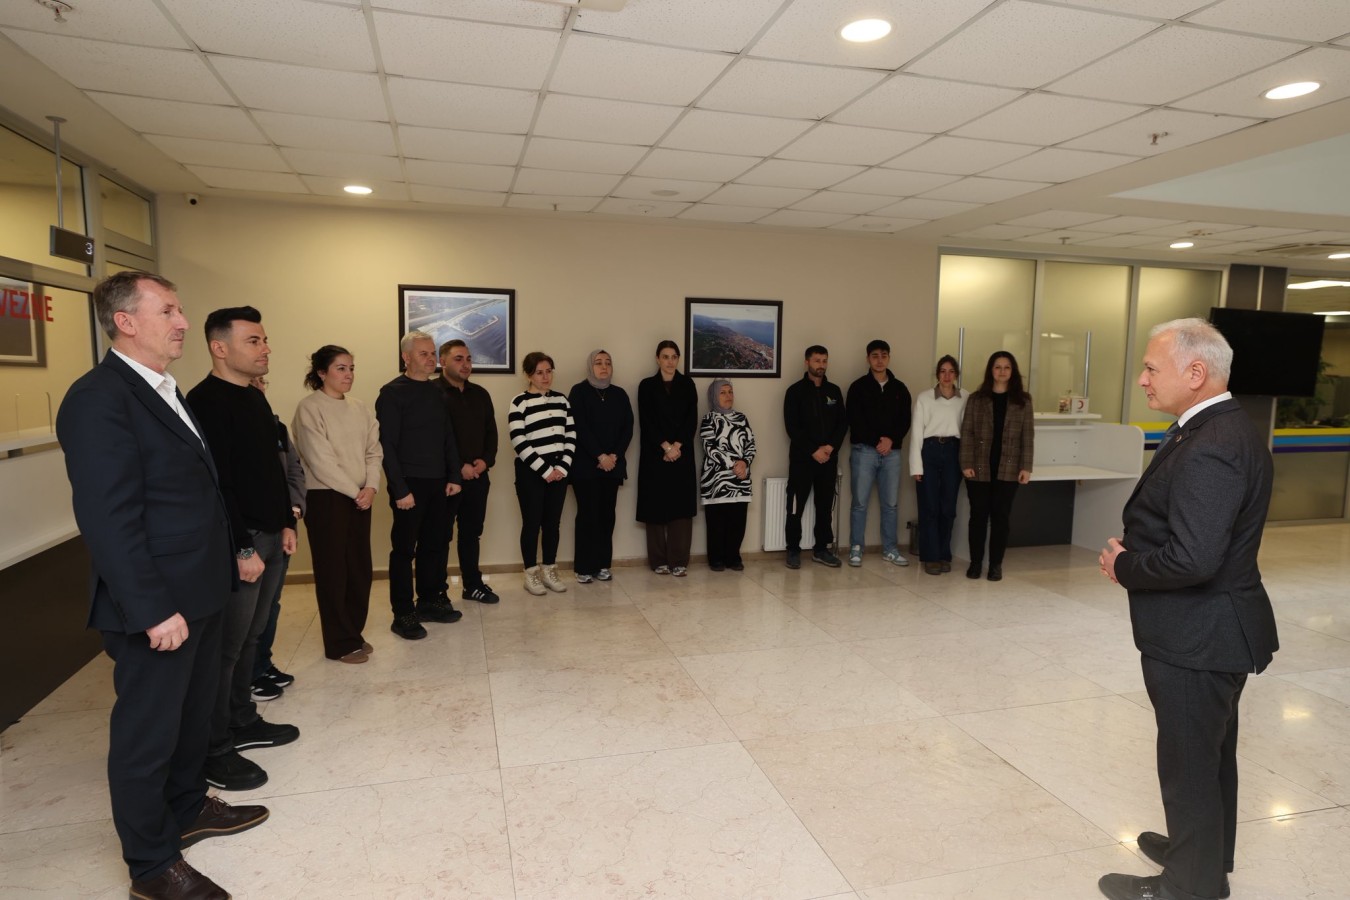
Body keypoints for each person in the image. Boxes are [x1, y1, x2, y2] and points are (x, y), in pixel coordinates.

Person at [58, 271, 267, 900]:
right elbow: (108, 517)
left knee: (190, 718)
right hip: (157, 604)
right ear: (125, 321)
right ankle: (151, 866)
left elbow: (197, 491)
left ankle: (186, 807)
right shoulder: (98, 398)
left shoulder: (164, 388)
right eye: (169, 311)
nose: (183, 322)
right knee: (147, 735)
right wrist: (151, 609)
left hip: (200, 591)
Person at [1096, 319, 1279, 900]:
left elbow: (1194, 558)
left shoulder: (1213, 445)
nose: (1142, 379)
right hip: (1208, 630)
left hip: (1198, 634)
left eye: (1152, 368)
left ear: (1195, 373)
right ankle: (1201, 854)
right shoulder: (1213, 427)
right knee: (1207, 753)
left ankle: (1189, 886)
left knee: (1189, 764)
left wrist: (1125, 565)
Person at [186, 306, 301, 792]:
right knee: (226, 649)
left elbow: (272, 470)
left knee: (253, 636)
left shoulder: (254, 397)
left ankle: (242, 718)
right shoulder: (206, 402)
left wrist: (286, 523)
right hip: (243, 542)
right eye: (254, 341)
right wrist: (241, 548)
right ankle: (216, 745)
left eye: (264, 339)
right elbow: (220, 485)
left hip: (271, 535)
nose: (265, 348)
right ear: (219, 347)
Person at [292, 345, 383, 664]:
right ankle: (339, 643)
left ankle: (353, 633)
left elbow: (374, 451)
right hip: (326, 497)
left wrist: (371, 486)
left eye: (351, 368)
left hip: (361, 495)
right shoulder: (309, 408)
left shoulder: (360, 408)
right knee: (333, 571)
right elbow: (320, 460)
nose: (349, 375)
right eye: (341, 368)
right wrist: (355, 491)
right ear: (321, 373)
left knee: (359, 569)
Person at [376, 331, 463, 639]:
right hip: (409, 485)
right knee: (404, 550)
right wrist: (399, 489)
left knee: (435, 545)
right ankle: (403, 613)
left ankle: (429, 601)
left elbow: (448, 437)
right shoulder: (392, 393)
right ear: (406, 357)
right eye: (423, 353)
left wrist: (454, 476)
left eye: (432, 353)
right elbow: (386, 445)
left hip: (439, 482)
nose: (431, 359)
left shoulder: (437, 392)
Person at [247, 374, 302, 701]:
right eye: (251, 381)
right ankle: (247, 677)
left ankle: (263, 665)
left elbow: (294, 472)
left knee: (271, 604)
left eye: (262, 381)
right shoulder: (231, 424)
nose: (258, 386)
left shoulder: (277, 427)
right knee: (250, 611)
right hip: (251, 534)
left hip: (282, 527)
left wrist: (292, 513)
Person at [958, 350, 1034, 582]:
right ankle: (975, 563)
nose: (1002, 371)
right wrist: (966, 463)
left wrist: (1026, 467)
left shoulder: (1023, 401)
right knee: (978, 517)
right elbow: (967, 433)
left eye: (1006, 367)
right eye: (997, 367)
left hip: (1009, 469)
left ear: (1013, 371)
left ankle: (995, 565)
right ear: (991, 370)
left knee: (1001, 518)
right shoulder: (976, 399)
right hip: (978, 467)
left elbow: (1027, 436)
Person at [437, 339, 501, 605]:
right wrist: (458, 467)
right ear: (442, 361)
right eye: (458, 359)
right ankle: (437, 592)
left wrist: (485, 461)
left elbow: (491, 433)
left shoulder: (480, 394)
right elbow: (434, 439)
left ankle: (472, 585)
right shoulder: (432, 393)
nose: (465, 364)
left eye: (468, 359)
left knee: (471, 533)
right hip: (446, 480)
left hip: (478, 477)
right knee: (440, 536)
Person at [508, 351, 576, 595]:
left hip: (559, 471)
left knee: (552, 524)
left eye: (549, 371)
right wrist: (545, 470)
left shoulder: (562, 400)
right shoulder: (519, 402)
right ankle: (531, 574)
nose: (545, 377)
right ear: (529, 375)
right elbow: (519, 440)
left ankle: (549, 569)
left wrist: (562, 467)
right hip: (531, 472)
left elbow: (571, 435)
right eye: (539, 372)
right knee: (532, 523)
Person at [845, 339, 912, 568]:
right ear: (868, 359)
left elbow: (905, 420)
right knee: (859, 503)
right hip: (864, 451)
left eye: (884, 355)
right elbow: (854, 419)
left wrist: (890, 440)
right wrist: (877, 441)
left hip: (892, 453)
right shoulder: (858, 387)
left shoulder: (900, 389)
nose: (880, 360)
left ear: (889, 358)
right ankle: (856, 547)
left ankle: (890, 549)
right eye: (875, 356)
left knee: (890, 504)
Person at [568, 349, 633, 583]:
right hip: (586, 467)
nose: (604, 367)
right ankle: (584, 567)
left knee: (607, 516)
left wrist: (614, 455)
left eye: (608, 362)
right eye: (598, 363)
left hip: (613, 466)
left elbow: (628, 427)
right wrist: (600, 455)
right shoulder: (579, 392)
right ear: (590, 366)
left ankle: (603, 564)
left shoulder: (620, 394)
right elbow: (579, 427)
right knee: (588, 516)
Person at [636, 340, 698, 575]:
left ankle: (679, 560)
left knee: (680, 508)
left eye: (674, 357)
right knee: (655, 506)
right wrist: (665, 447)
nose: (670, 361)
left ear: (678, 359)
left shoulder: (688, 384)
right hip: (655, 453)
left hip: (682, 453)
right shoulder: (646, 386)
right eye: (665, 357)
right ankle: (658, 560)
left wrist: (677, 446)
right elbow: (646, 421)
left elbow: (691, 418)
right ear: (657, 359)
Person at [783, 344, 848, 569]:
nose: (821, 365)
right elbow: (792, 427)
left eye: (824, 361)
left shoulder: (834, 391)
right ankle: (793, 549)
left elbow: (842, 424)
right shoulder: (795, 391)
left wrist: (830, 448)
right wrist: (813, 450)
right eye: (817, 360)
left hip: (828, 460)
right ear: (807, 362)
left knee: (825, 506)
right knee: (795, 506)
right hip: (802, 460)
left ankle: (821, 549)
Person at [910, 355, 967, 575]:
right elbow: (916, 433)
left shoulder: (965, 397)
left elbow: (968, 431)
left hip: (954, 451)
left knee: (948, 508)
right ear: (937, 374)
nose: (947, 376)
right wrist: (916, 467)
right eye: (943, 371)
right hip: (930, 450)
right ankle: (930, 556)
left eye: (951, 371)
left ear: (956, 375)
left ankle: (944, 554)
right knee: (930, 507)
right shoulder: (924, 398)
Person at [699, 379, 756, 571]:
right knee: (716, 523)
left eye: (730, 392)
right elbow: (710, 448)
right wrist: (733, 465)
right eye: (722, 392)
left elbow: (751, 445)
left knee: (737, 522)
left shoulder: (742, 418)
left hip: (740, 479)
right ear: (714, 396)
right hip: (716, 481)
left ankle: (733, 557)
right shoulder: (708, 419)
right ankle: (716, 559)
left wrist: (744, 462)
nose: (728, 396)